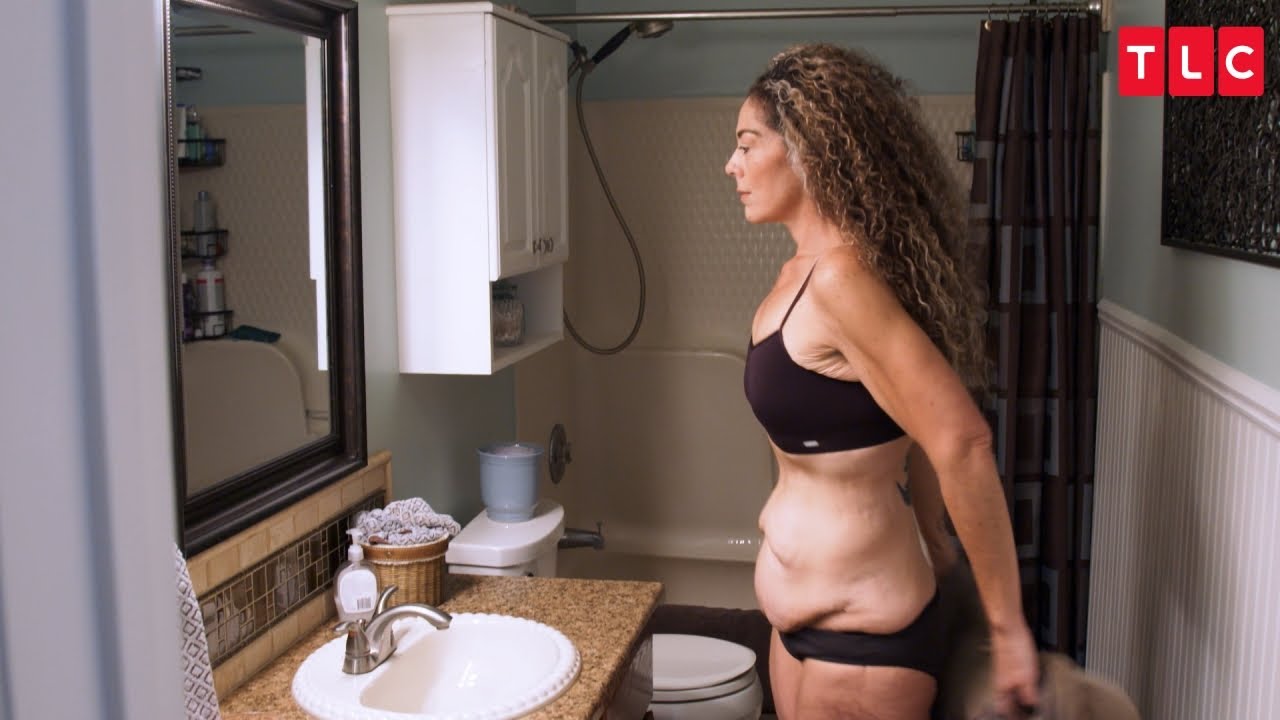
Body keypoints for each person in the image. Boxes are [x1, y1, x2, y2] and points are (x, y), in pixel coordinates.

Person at [727, 43, 1039, 719]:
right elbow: (907, 424)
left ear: (807, 149)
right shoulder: (798, 275)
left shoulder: (842, 280)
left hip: (864, 641)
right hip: (796, 630)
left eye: (748, 145)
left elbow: (960, 440)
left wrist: (1007, 629)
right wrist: (931, 533)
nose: (733, 165)